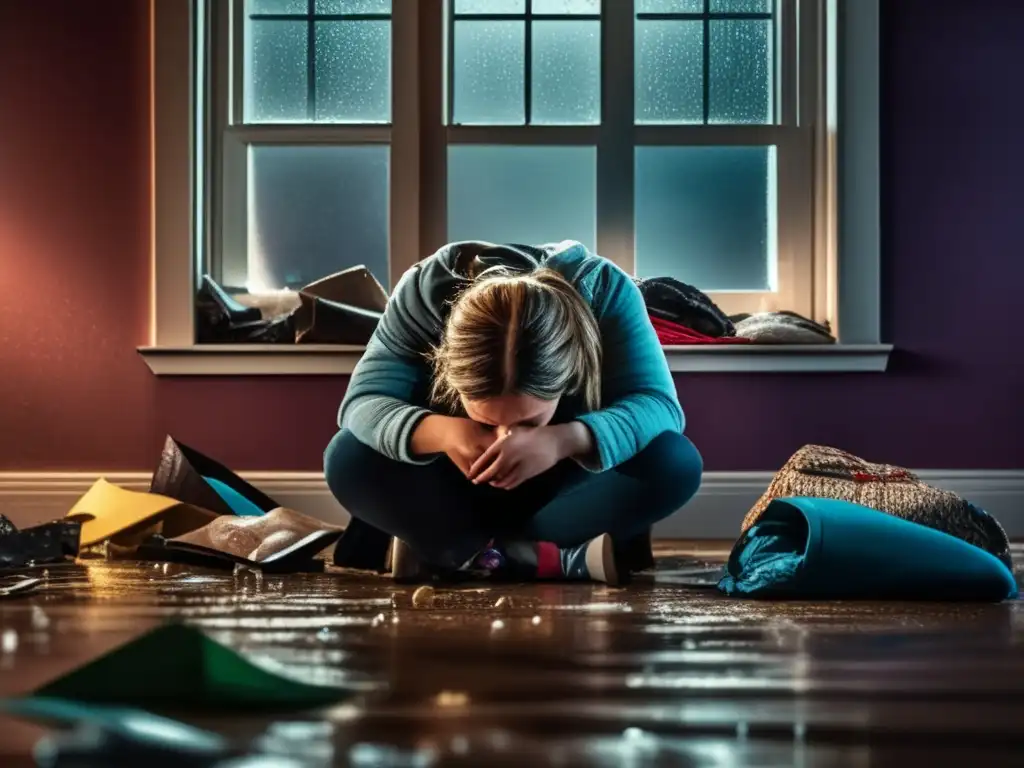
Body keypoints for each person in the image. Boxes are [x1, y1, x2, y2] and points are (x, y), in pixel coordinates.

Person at [324, 241, 703, 585]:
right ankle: (544, 559)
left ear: (568, 376)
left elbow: (659, 405)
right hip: (452, 487)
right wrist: (443, 432)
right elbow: (362, 402)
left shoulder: (606, 290)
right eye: (488, 420)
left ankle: (457, 554)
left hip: (560, 494)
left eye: (527, 420)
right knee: (347, 456)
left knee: (674, 461)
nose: (507, 437)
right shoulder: (422, 293)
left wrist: (564, 438)